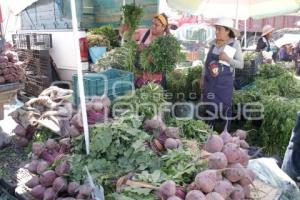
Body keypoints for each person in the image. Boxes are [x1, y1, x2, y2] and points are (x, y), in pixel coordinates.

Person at [201, 18, 243, 130]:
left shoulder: (234, 44)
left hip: (224, 85)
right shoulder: (213, 44)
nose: (216, 32)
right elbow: (206, 64)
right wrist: (202, 78)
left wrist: (228, 59)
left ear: (227, 31)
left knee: (225, 109)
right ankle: (207, 133)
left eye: (219, 29)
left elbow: (240, 64)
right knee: (210, 109)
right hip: (210, 84)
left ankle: (225, 135)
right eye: (216, 29)